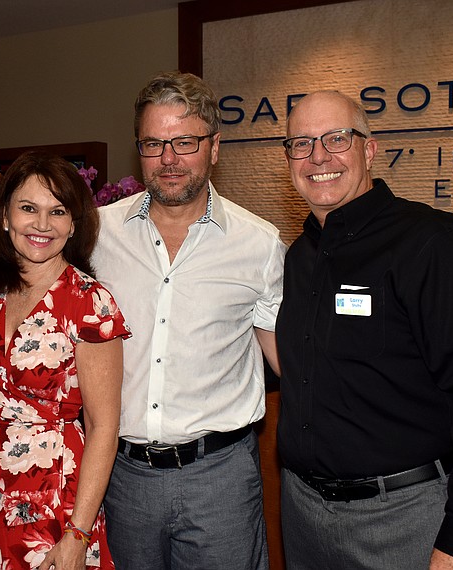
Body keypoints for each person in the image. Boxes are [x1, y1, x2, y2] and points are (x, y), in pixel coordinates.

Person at [275, 90, 453, 570]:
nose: (318, 156)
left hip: (405, 520)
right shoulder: (300, 257)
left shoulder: (432, 243)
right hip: (302, 517)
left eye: (336, 138)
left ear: (369, 149)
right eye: (301, 143)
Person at [92, 72, 286, 570]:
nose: (169, 159)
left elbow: (289, 359)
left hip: (219, 478)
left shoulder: (259, 244)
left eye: (185, 141)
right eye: (154, 144)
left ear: (214, 147)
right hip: (121, 476)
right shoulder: (96, 235)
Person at [0, 150, 130, 570]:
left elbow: (104, 428)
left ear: (73, 224)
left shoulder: (90, 304)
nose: (42, 225)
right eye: (28, 208)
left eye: (58, 211)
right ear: (5, 217)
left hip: (54, 509)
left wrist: (78, 534)